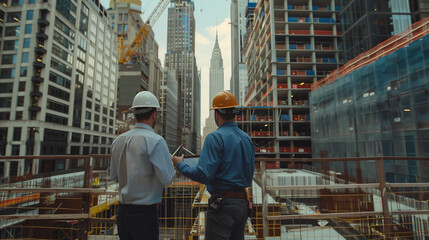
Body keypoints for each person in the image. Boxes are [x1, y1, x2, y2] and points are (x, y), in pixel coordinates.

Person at [172, 90, 255, 240]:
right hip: (242, 205)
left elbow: (203, 175)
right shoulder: (247, 139)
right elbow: (249, 174)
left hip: (223, 206)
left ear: (216, 114)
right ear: (234, 113)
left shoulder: (214, 138)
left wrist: (180, 165)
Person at [110, 91, 175, 240]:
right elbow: (167, 179)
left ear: (134, 114)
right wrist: (173, 164)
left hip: (122, 212)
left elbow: (113, 175)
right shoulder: (156, 141)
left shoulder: (118, 141)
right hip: (145, 215)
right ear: (154, 115)